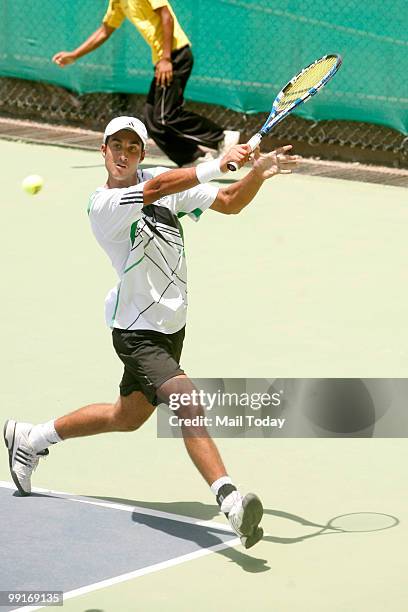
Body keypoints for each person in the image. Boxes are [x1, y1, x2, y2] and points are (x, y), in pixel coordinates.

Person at [3, 116, 299, 549]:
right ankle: (231, 502)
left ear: (141, 154)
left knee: (126, 417)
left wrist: (257, 172)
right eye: (115, 146)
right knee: (188, 401)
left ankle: (31, 437)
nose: (123, 155)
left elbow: (231, 202)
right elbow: (157, 191)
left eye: (132, 148)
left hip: (169, 327)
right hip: (137, 332)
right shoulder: (105, 202)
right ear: (102, 151)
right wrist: (218, 162)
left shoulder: (161, 180)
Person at [52, 0, 240, 167]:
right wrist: (74, 55)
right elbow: (104, 31)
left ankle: (222, 138)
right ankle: (192, 159)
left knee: (165, 117)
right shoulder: (117, 2)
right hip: (162, 60)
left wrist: (166, 58)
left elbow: (167, 17)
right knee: (152, 120)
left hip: (175, 56)